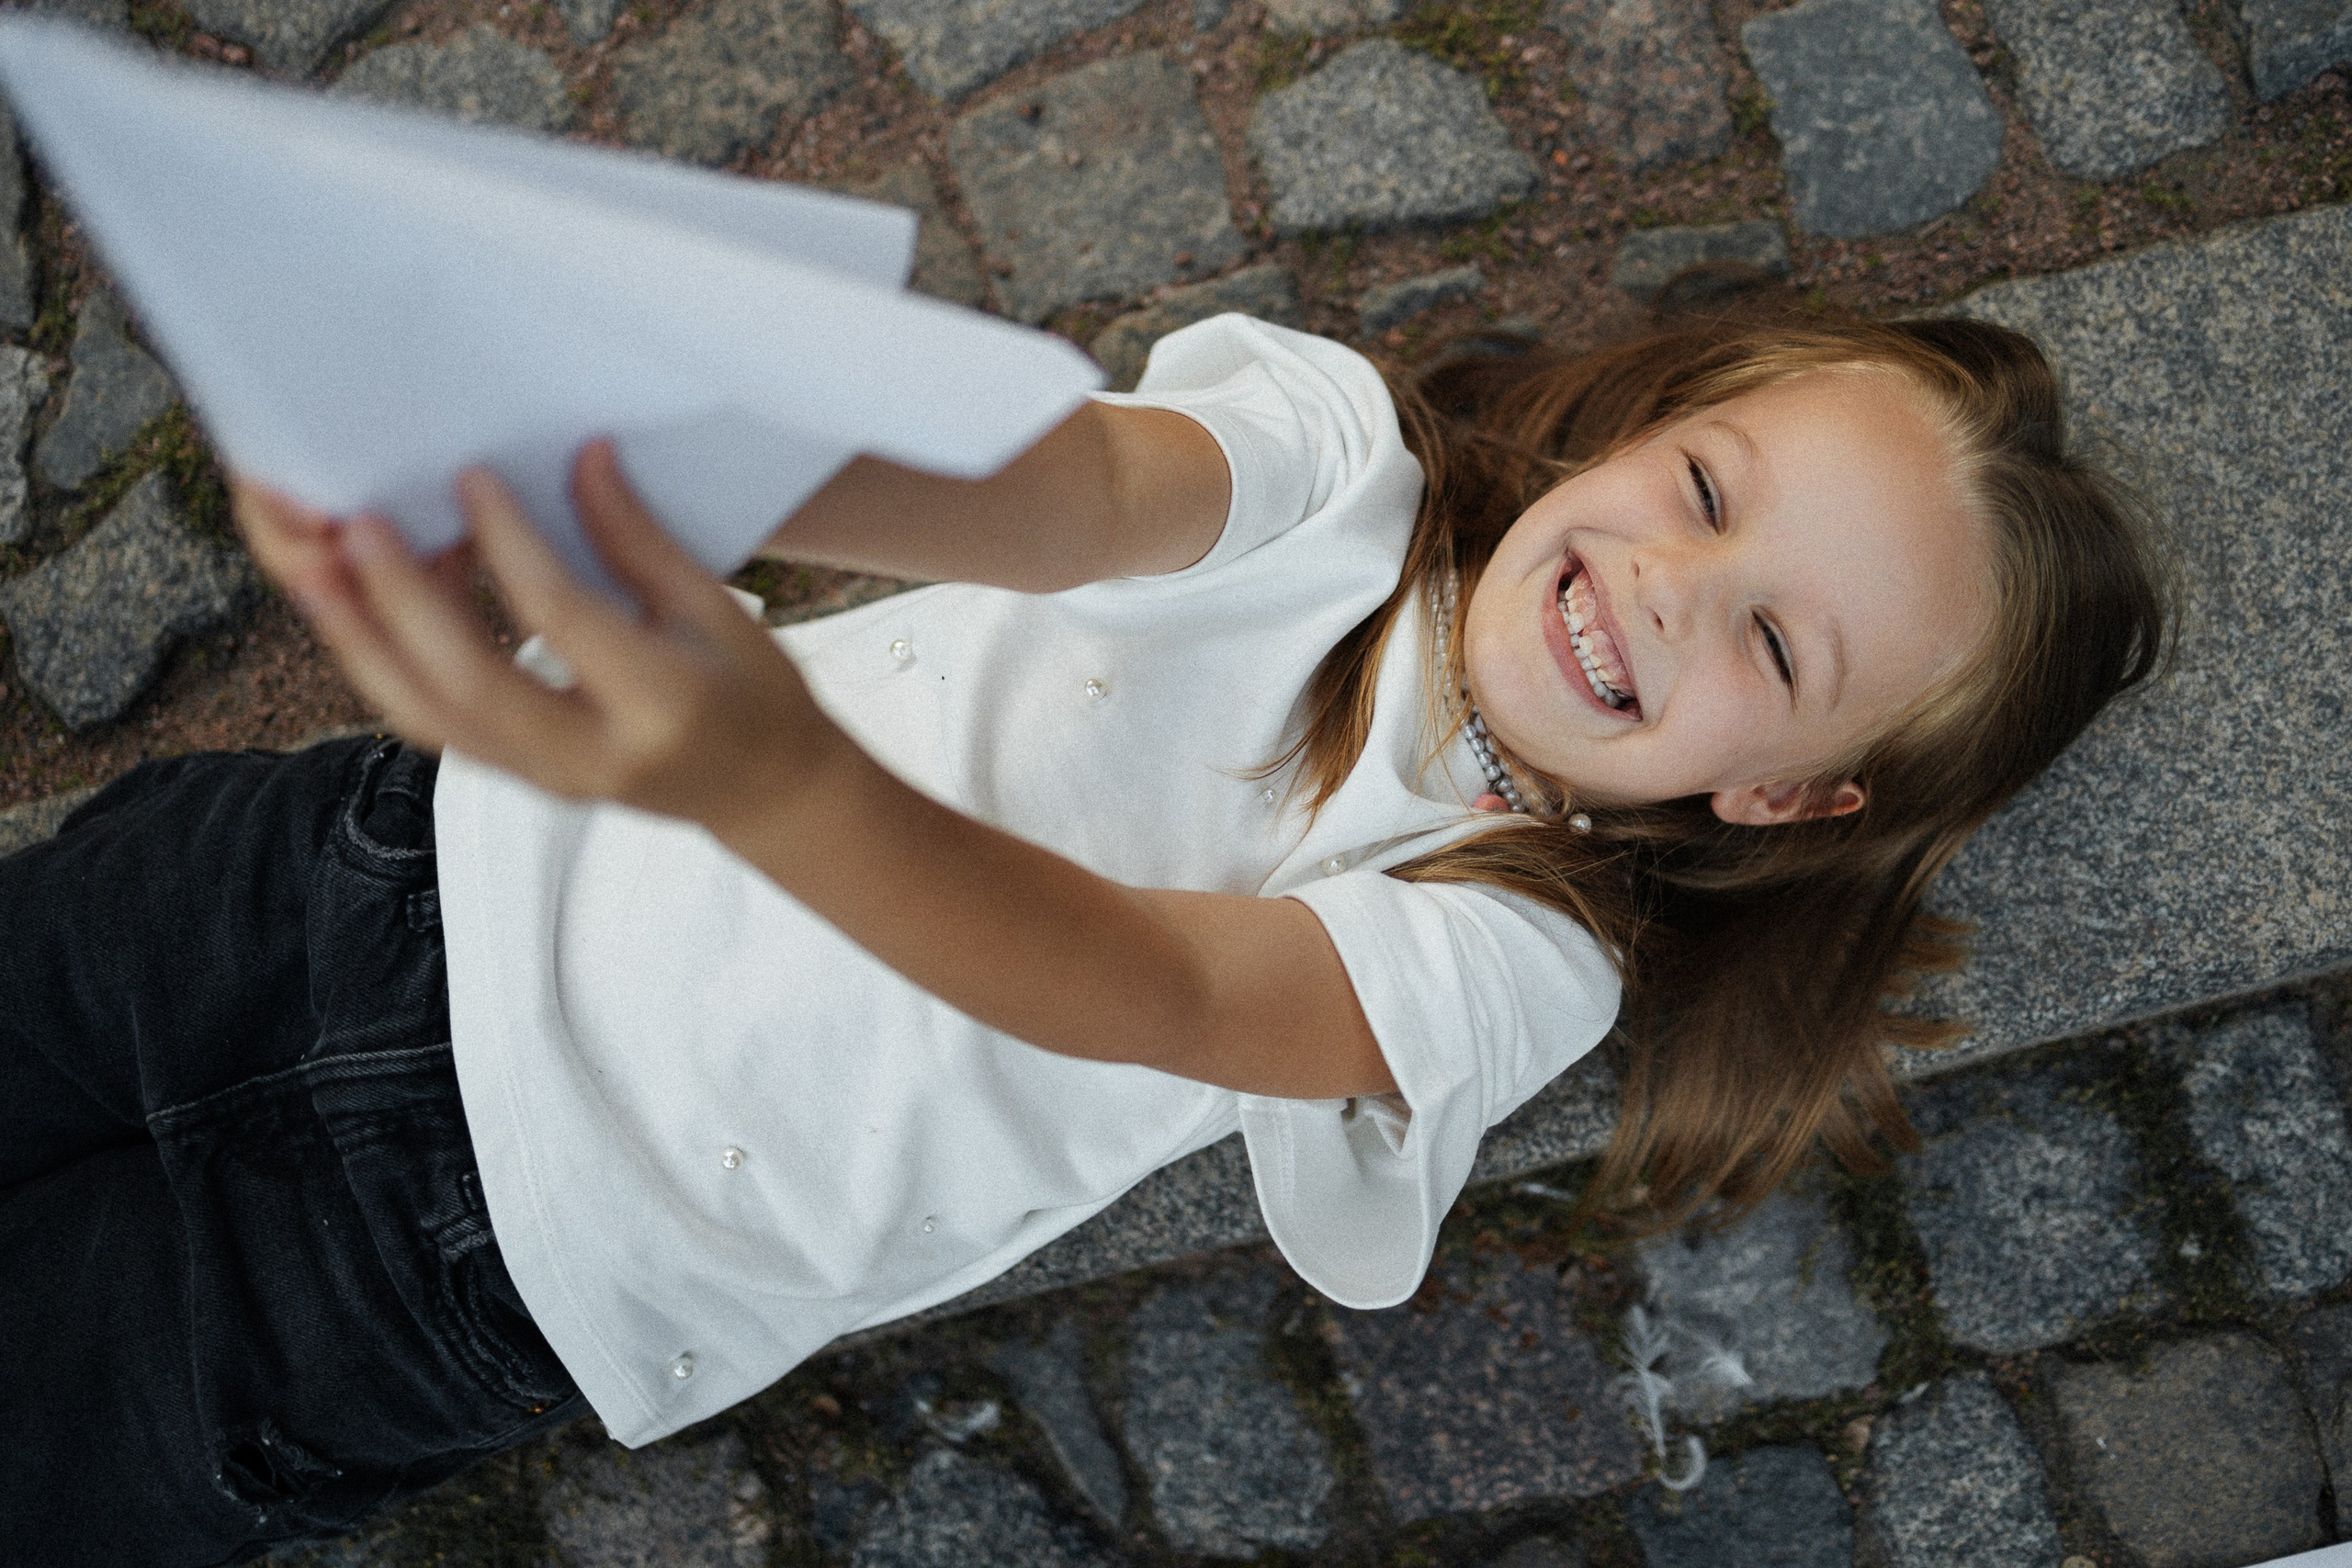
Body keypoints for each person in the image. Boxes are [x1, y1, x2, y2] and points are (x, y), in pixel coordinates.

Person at [0, 283, 2171, 1564]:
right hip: (382, 870)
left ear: (1780, 795)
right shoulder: (1345, 461)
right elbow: (1036, 484)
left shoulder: (1520, 949)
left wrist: (772, 773)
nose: (1669, 585)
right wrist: (681, 438)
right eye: (1704, 488)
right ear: (1648, 422)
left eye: (1770, 647)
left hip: (502, 1258)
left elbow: (1157, 986)